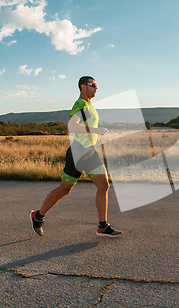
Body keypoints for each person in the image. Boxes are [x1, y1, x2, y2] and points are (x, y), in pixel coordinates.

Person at [30, 76, 122, 237]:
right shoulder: (80, 104)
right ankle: (38, 216)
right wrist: (95, 130)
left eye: (96, 85)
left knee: (103, 186)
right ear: (83, 87)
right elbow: (72, 126)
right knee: (64, 190)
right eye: (92, 85)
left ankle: (103, 226)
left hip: (90, 151)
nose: (96, 88)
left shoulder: (89, 105)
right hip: (78, 152)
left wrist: (94, 136)